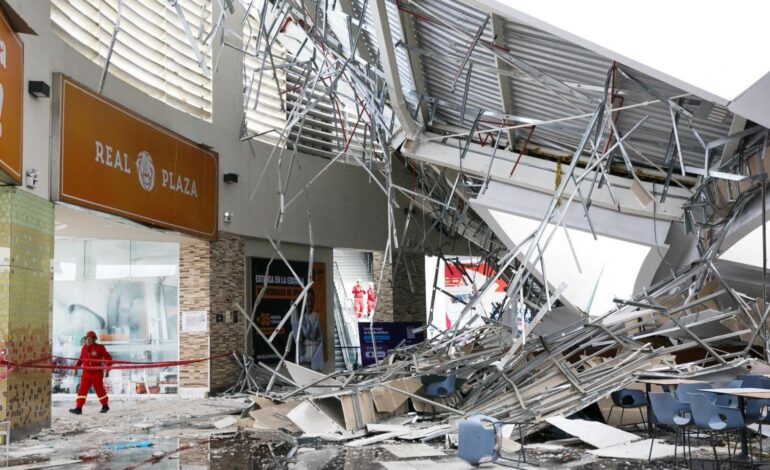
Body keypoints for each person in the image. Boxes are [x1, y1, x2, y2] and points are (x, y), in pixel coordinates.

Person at [69, 331, 112, 414]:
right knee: (82, 390)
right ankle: (78, 408)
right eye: (86, 339)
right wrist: (76, 367)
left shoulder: (100, 347)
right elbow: (81, 359)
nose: (87, 341)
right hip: (86, 373)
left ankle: (105, 405)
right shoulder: (84, 348)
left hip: (97, 373)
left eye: (89, 339)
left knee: (99, 389)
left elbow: (108, 358)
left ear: (94, 339)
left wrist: (108, 366)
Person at [290, 289, 324, 371]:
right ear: (303, 301)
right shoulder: (298, 320)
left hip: (316, 361)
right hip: (304, 361)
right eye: (307, 300)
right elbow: (298, 340)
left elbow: (322, 339)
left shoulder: (316, 317)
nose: (310, 303)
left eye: (312, 300)